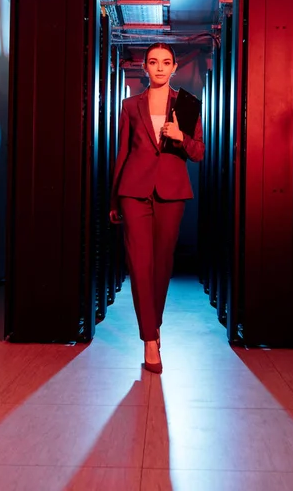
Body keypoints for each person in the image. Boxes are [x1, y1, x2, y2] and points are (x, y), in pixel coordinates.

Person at [109, 42, 205, 374]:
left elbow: (198, 153)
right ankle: (149, 340)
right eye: (153, 62)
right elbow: (122, 153)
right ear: (145, 68)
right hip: (133, 192)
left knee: (162, 265)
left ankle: (154, 323)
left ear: (175, 67)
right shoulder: (130, 105)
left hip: (171, 192)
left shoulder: (188, 104)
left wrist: (180, 136)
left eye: (166, 62)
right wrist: (113, 199)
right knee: (139, 263)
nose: (160, 67)